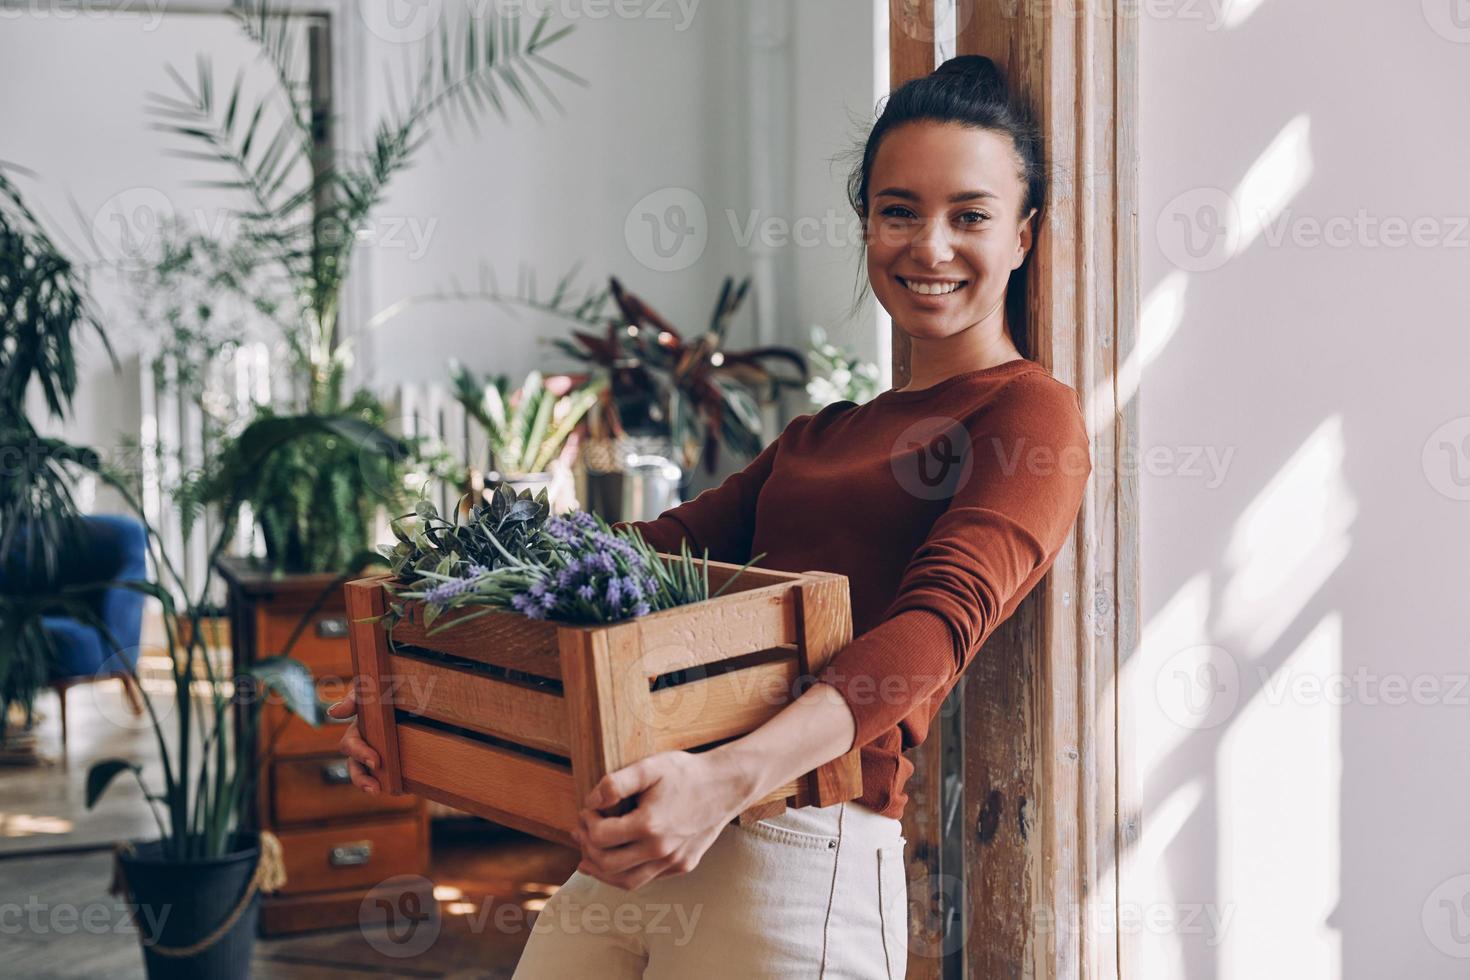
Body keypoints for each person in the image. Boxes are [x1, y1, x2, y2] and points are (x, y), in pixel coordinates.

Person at [330, 54, 1092, 979]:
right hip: (644, 829)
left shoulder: (1027, 414)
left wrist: (726, 779)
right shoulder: (822, 434)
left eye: (969, 215)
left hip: (797, 855)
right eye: (899, 211)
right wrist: (415, 692)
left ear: (1024, 234)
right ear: (867, 226)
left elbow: (933, 633)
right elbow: (640, 559)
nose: (930, 246)